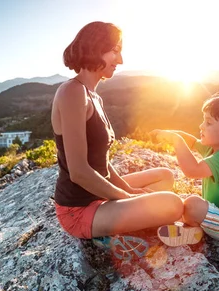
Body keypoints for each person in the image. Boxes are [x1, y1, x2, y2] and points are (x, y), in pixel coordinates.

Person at [51, 21, 184, 257]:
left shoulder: (94, 97)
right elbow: (79, 172)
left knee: (165, 176)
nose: (120, 60)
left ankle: (121, 224)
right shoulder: (72, 92)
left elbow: (100, 162)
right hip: (79, 209)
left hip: (99, 195)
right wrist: (127, 196)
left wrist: (129, 189)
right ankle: (113, 230)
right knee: (172, 204)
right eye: (115, 50)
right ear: (95, 48)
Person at [154, 94, 219, 245]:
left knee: (191, 204)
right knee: (182, 205)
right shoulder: (214, 148)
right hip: (215, 215)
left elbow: (192, 170)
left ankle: (192, 228)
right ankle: (195, 232)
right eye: (204, 120)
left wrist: (176, 141)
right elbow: (192, 142)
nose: (201, 126)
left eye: (208, 123)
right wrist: (172, 133)